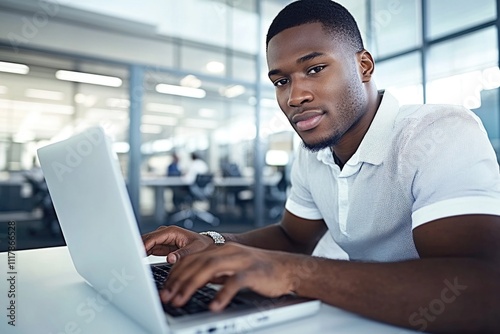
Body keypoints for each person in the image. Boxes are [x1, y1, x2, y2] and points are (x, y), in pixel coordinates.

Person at [142, 1, 500, 332]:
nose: (295, 96)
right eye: (281, 81)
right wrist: (217, 243)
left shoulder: (437, 132)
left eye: (314, 69)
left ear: (364, 66)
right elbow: (293, 237)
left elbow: (481, 289)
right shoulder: (314, 153)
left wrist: (293, 273)